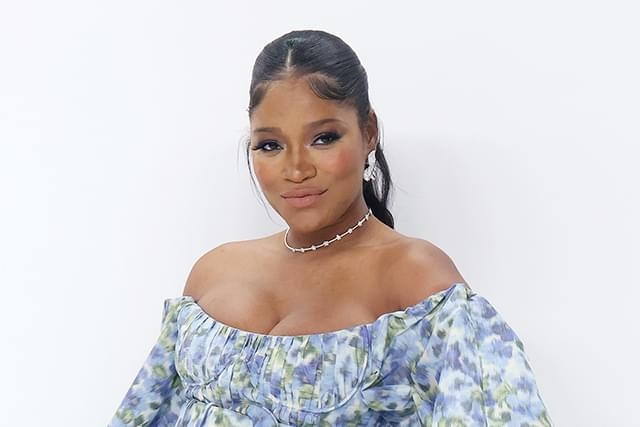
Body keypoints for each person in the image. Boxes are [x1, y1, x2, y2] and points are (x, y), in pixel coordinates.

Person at [110, 29, 553, 426]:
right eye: (270, 145)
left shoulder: (415, 278)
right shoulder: (213, 272)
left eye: (323, 138)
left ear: (369, 132)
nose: (296, 169)